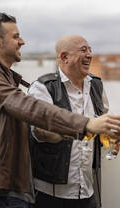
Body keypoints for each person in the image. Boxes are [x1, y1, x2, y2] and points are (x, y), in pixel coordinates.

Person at [0, 12, 120, 208]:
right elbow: (31, 109)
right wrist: (87, 124)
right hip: (3, 187)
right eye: (15, 36)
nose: (22, 41)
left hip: (15, 184)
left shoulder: (4, 76)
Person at [28, 34, 107, 208]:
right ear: (64, 57)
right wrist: (80, 129)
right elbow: (40, 132)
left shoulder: (96, 85)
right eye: (83, 50)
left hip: (88, 190)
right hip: (52, 193)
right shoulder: (43, 87)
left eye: (90, 49)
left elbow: (104, 117)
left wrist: (109, 130)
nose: (89, 54)